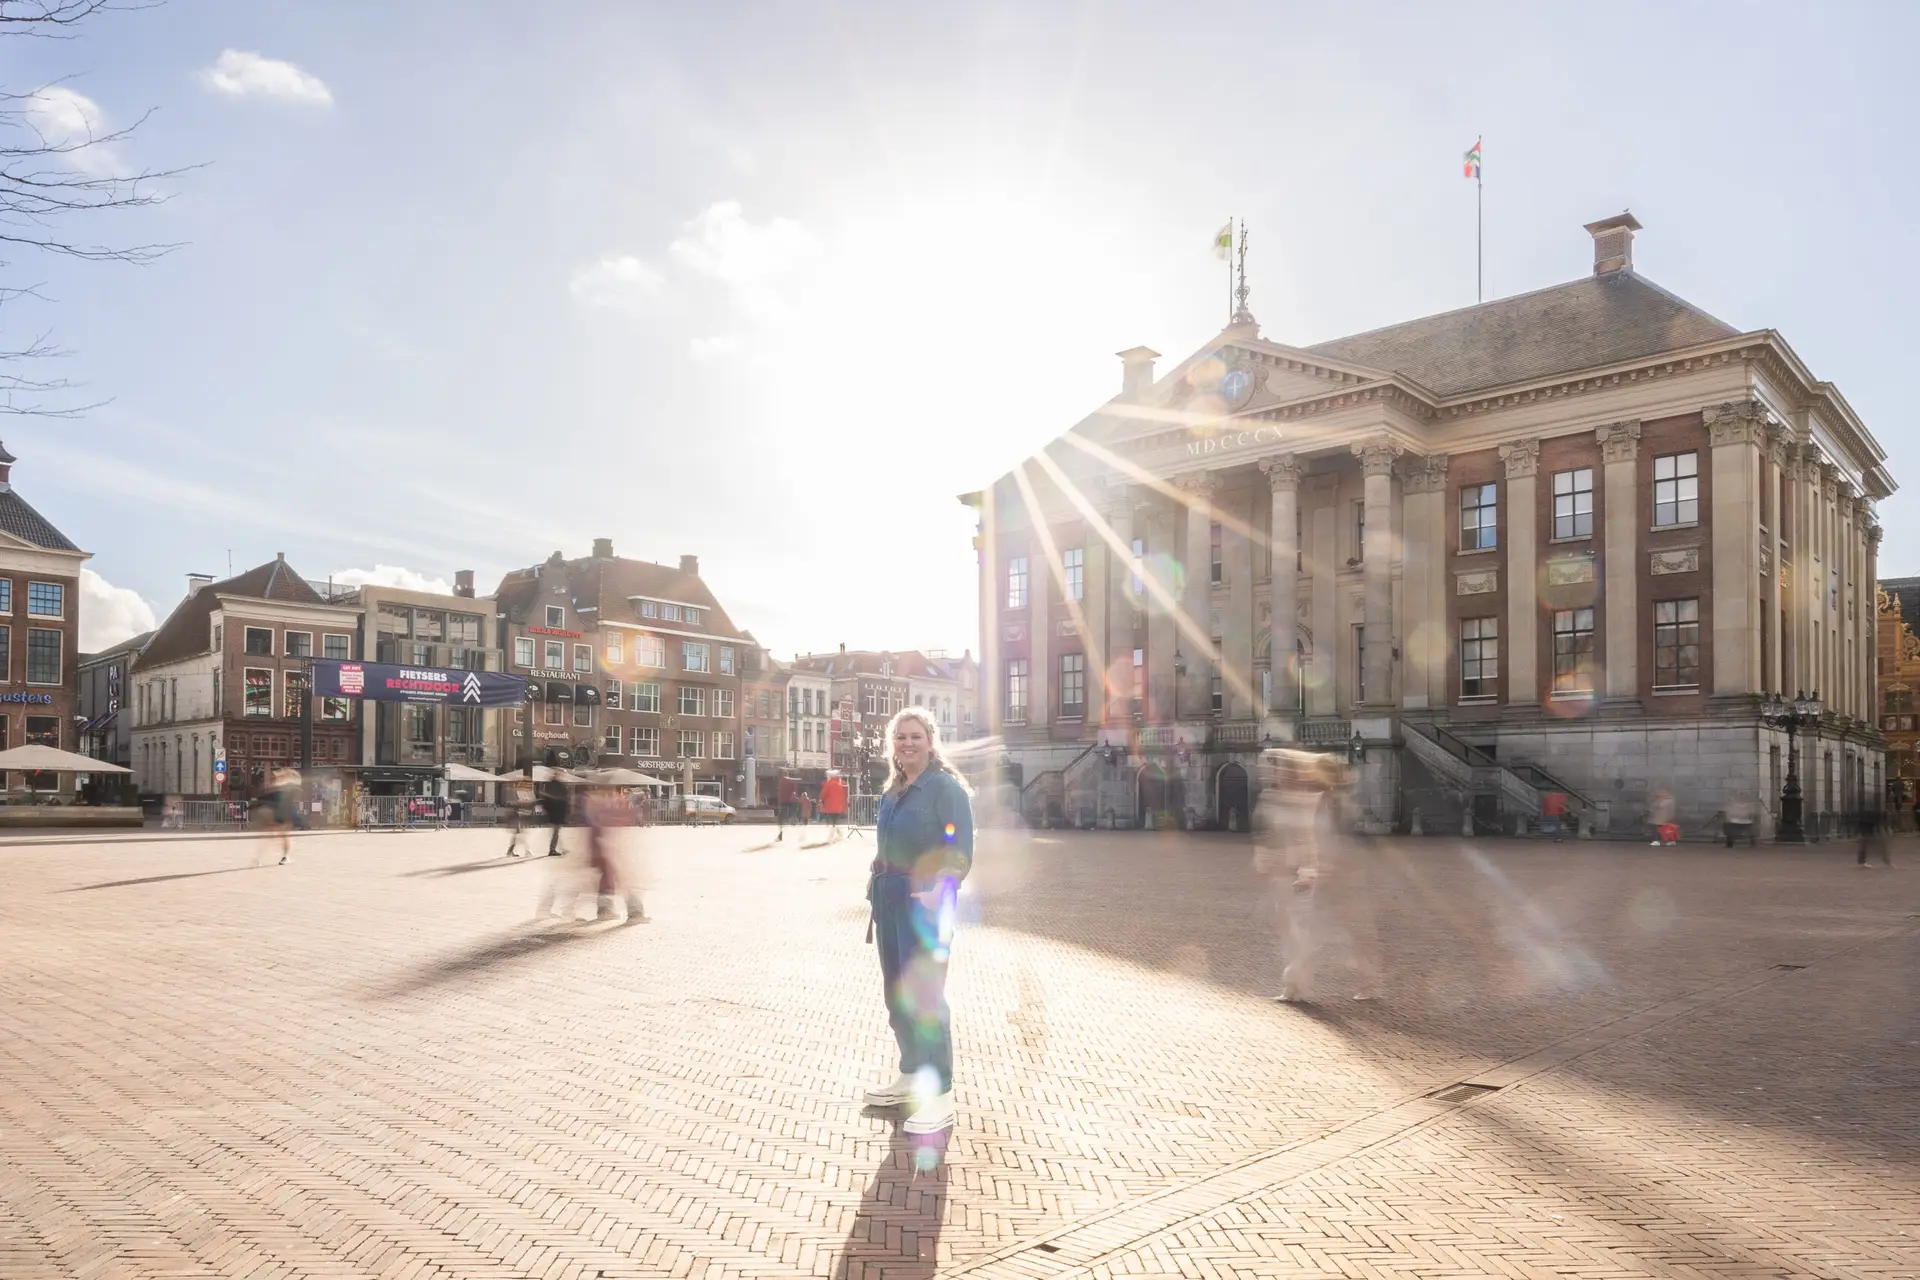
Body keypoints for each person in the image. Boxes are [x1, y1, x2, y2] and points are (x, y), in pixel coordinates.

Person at [861, 707, 975, 1135]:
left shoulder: (945, 789)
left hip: (924, 904)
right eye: (901, 737)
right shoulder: (892, 792)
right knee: (897, 995)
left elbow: (959, 849)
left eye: (916, 736)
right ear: (892, 745)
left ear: (930, 742)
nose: (907, 743)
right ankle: (910, 1074)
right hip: (888, 900)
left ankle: (939, 1094)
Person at [1252, 749, 1380, 1004]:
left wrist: (1321, 868)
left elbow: (1336, 838)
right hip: (1310, 876)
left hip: (1338, 875)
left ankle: (1370, 981)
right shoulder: (1298, 798)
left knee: (1355, 930)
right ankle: (1295, 986)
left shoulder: (1334, 802)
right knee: (1302, 932)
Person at [538, 773, 570, 856]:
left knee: (555, 832)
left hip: (553, 814)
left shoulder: (550, 786)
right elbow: (563, 801)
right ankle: (552, 849)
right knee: (556, 832)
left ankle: (557, 848)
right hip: (556, 814)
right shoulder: (559, 787)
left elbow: (546, 801)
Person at [820, 771, 849, 841]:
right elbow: (845, 795)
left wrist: (822, 799)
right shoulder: (842, 783)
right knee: (835, 821)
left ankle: (833, 835)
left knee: (833, 822)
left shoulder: (829, 783)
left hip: (830, 806)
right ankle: (838, 834)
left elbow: (824, 793)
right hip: (839, 806)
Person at [776, 773, 800, 841]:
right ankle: (793, 823)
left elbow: (780, 792)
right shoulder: (790, 781)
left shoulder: (782, 781)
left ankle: (780, 834)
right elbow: (794, 790)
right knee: (790, 818)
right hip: (791, 802)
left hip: (784, 802)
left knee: (780, 819)